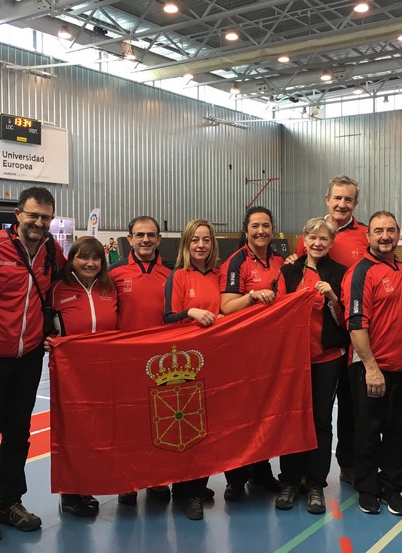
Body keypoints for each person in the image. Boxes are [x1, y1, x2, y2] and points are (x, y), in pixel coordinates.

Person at [0, 187, 65, 543]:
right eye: (33, 215)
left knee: (18, 433)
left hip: (30, 357)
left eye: (45, 217)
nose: (39, 222)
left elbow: (63, 288)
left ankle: (9, 502)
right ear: (18, 214)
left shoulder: (52, 251)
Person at [341, 211, 402, 518]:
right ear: (368, 236)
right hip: (372, 368)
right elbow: (356, 324)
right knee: (368, 431)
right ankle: (368, 489)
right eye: (378, 231)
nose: (385, 236)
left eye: (390, 230)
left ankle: (392, 487)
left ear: (398, 234)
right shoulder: (360, 272)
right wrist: (371, 368)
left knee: (400, 432)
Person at [293, 175, 367, 484]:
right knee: (307, 411)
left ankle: (347, 465)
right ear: (327, 199)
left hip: (352, 335)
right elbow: (299, 269)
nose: (342, 204)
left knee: (350, 407)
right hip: (314, 342)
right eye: (337, 198)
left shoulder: (365, 235)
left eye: (348, 199)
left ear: (355, 203)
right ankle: (297, 473)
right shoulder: (311, 233)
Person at [274, 217, 349, 515]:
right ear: (303, 239)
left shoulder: (340, 273)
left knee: (320, 420)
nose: (318, 243)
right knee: (292, 418)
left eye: (324, 238)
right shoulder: (289, 271)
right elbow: (278, 313)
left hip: (327, 358)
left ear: (331, 243)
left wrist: (332, 297)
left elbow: (346, 320)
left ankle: (316, 483)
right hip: (293, 359)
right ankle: (290, 481)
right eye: (312, 237)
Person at [46, 236, 117, 517]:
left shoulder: (110, 288)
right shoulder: (57, 289)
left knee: (98, 433)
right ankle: (71, 494)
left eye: (96, 258)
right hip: (71, 376)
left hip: (105, 372)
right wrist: (47, 339)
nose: (90, 263)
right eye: (83, 257)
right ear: (71, 260)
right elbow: (42, 324)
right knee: (73, 434)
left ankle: (88, 485)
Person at [219, 205, 284, 500]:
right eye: (255, 226)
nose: (261, 231)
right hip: (242, 352)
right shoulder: (236, 262)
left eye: (266, 225)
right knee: (239, 417)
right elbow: (227, 306)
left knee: (265, 414)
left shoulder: (280, 261)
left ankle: (260, 471)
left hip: (271, 351)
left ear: (272, 229)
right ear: (246, 230)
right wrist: (252, 296)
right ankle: (235, 478)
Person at [109, 215, 173, 505]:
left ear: (159, 239)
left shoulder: (173, 272)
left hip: (163, 363)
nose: (145, 239)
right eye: (139, 235)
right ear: (129, 239)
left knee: (161, 421)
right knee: (129, 424)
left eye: (150, 235)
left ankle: (158, 478)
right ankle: (128, 481)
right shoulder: (114, 273)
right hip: (126, 363)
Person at [163, 219, 221, 520]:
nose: (201, 245)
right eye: (195, 239)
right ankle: (187, 491)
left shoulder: (219, 275)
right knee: (186, 427)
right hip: (184, 364)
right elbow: (168, 317)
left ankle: (197, 485)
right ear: (186, 243)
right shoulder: (178, 276)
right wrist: (191, 312)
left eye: (206, 240)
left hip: (213, 359)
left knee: (207, 428)